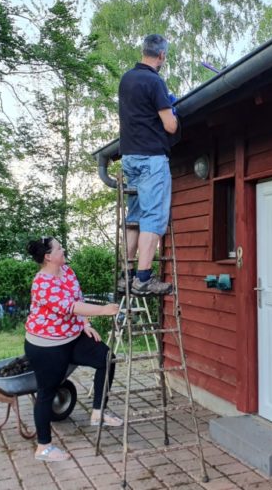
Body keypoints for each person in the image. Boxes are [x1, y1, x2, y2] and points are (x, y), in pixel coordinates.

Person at [25, 237, 121, 463]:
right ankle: (43, 448)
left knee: (107, 358)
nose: (63, 249)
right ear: (48, 256)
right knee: (46, 392)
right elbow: (70, 307)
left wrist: (86, 325)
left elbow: (78, 299)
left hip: (72, 336)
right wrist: (104, 310)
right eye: (59, 248)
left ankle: (98, 412)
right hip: (46, 345)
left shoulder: (67, 272)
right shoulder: (42, 283)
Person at [118, 34, 179, 296]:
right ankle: (143, 279)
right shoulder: (155, 81)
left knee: (134, 218)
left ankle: (127, 275)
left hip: (129, 156)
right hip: (151, 157)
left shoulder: (127, 79)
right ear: (161, 56)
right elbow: (170, 126)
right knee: (153, 219)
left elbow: (141, 113)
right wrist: (171, 107)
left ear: (143, 51)